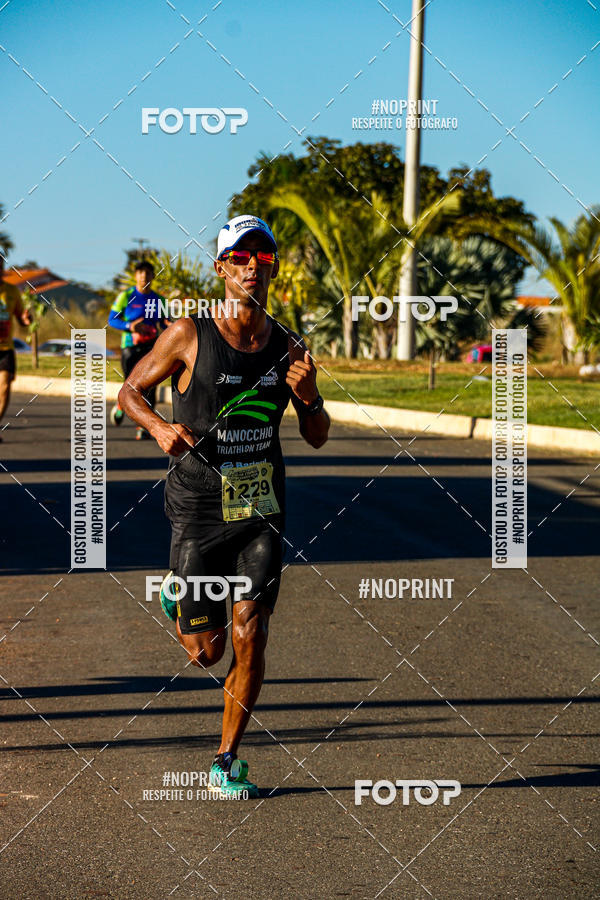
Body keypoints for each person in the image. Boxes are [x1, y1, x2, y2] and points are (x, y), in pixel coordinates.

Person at [118, 215, 330, 797]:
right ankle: (175, 596)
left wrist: (309, 398)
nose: (252, 269)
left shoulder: (288, 346)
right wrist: (160, 428)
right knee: (205, 653)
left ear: (273, 269)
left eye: (263, 260)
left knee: (251, 632)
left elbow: (317, 435)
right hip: (197, 508)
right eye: (240, 259)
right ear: (221, 268)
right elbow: (129, 390)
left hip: (260, 508)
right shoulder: (189, 333)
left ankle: (226, 759)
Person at [108, 260, 168, 439]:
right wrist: (130, 326)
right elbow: (112, 320)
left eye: (148, 273)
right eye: (141, 273)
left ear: (153, 276)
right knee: (131, 384)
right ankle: (121, 404)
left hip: (152, 347)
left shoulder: (159, 300)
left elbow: (165, 322)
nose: (144, 276)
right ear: (135, 276)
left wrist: (171, 324)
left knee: (151, 386)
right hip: (130, 347)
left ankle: (143, 427)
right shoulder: (125, 297)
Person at [0, 255, 33, 438]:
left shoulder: (12, 292)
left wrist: (27, 320)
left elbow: (22, 318)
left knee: (4, 388)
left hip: (5, 349)